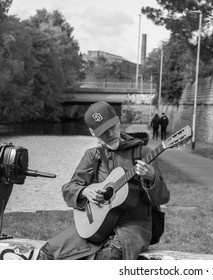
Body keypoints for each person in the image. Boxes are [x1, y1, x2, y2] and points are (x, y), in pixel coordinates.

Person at [38, 101, 170, 260]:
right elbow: (69, 188)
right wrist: (85, 191)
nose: (109, 134)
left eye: (111, 127)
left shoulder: (143, 153)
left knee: (108, 256)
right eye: (102, 132)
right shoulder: (92, 155)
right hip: (95, 224)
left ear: (118, 121)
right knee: (48, 252)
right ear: (93, 133)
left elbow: (162, 198)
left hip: (133, 226)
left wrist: (151, 178)